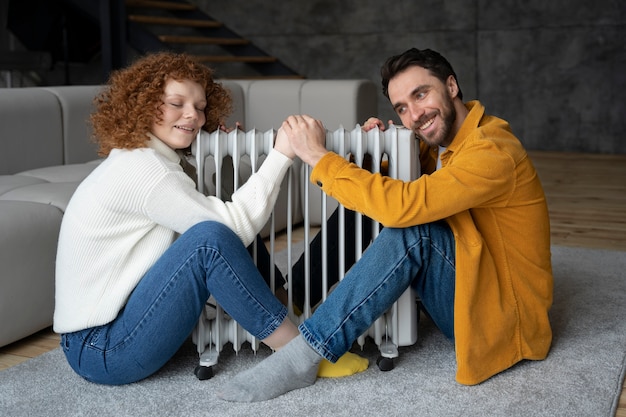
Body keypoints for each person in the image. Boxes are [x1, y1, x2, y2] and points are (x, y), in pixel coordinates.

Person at [217, 47, 553, 402]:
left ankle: (306, 354)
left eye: (420, 94)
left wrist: (318, 156)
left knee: (411, 226)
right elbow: (396, 194)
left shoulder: (491, 151)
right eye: (402, 108)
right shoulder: (446, 146)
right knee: (374, 196)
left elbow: (406, 206)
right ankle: (293, 299)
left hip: (502, 320)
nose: (415, 115)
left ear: (451, 86)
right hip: (472, 287)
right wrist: (378, 154)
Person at [53, 51, 305, 385]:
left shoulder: (143, 159)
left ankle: (285, 306)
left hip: (106, 336)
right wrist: (280, 155)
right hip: (104, 350)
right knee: (211, 239)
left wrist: (222, 149)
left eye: (200, 107)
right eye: (177, 103)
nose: (194, 116)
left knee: (214, 221)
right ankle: (300, 354)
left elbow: (203, 209)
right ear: (143, 105)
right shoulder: (144, 169)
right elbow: (228, 229)